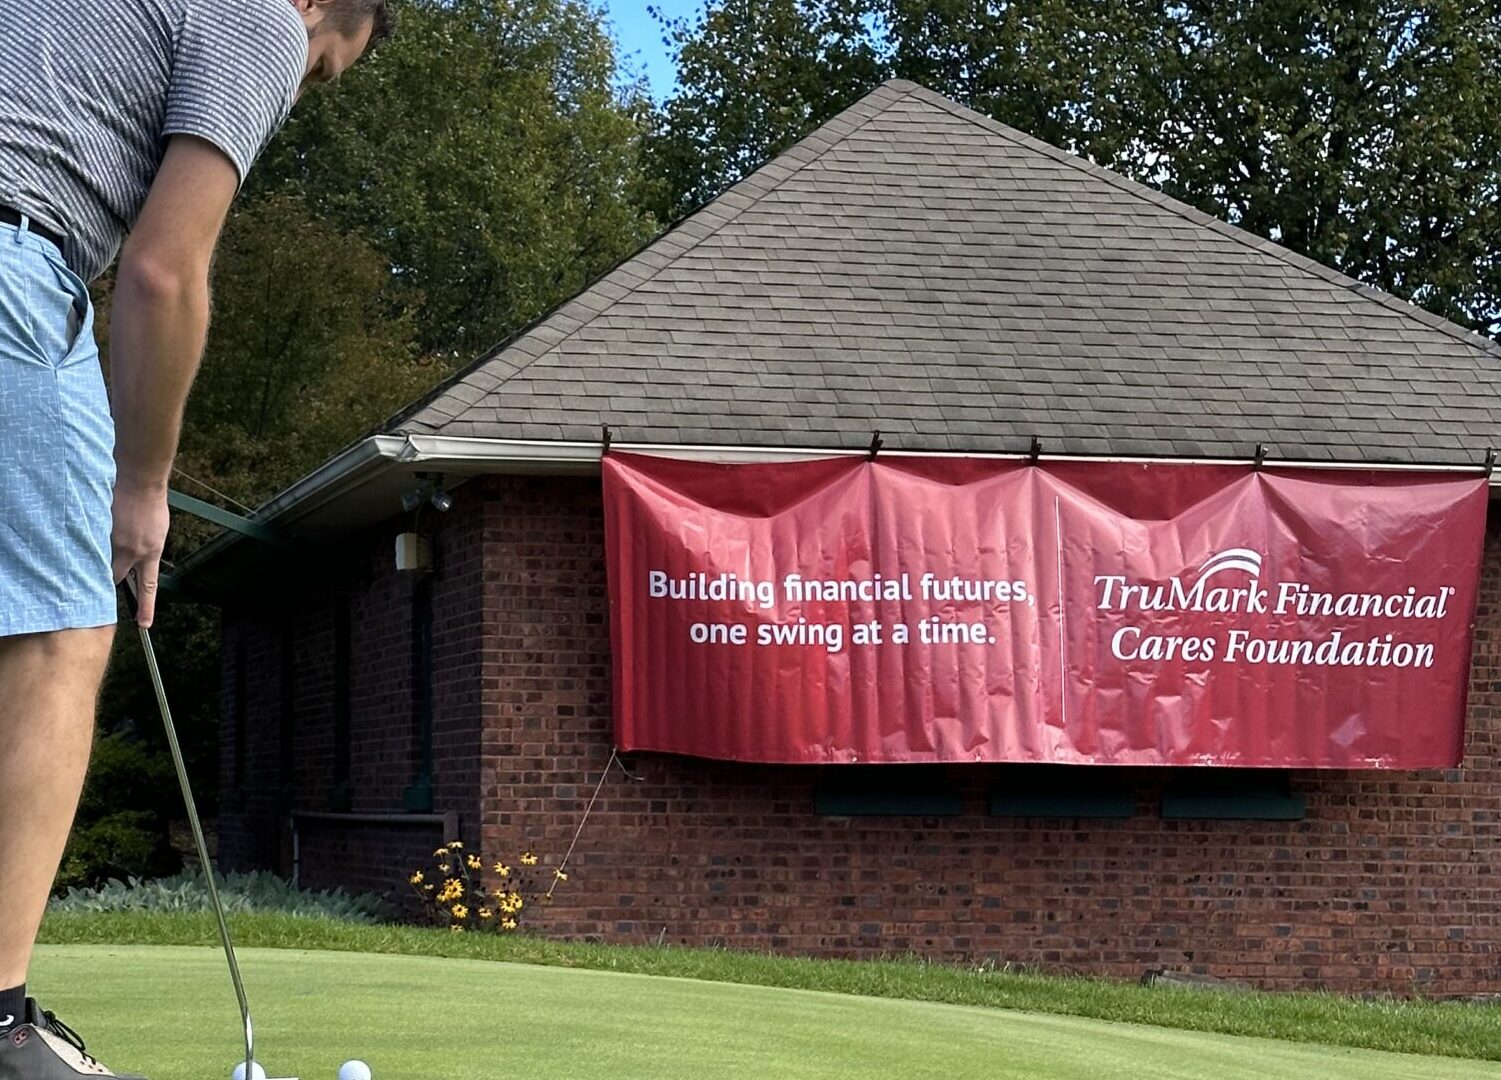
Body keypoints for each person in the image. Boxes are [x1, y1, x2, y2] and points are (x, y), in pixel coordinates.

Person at [0, 0, 393, 1074]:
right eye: (323, 73)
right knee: (57, 637)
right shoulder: (263, 18)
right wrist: (142, 483)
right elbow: (163, 272)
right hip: (12, 260)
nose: (300, 90)